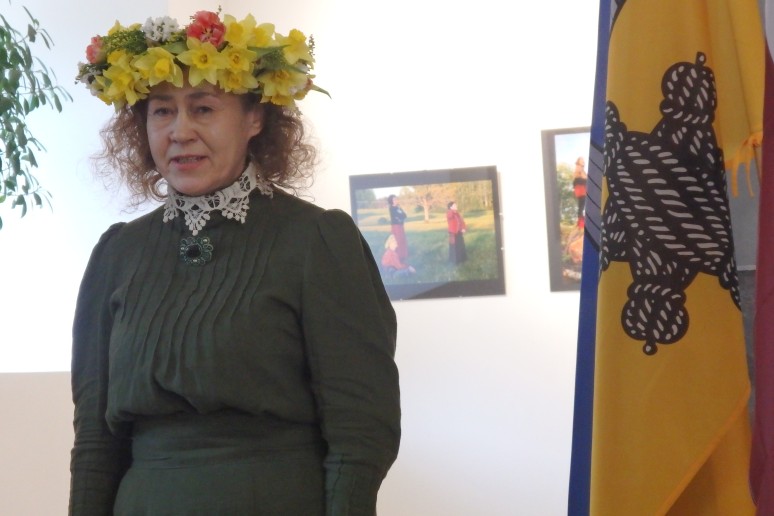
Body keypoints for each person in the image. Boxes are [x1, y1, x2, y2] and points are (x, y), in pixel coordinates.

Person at [70, 11, 400, 515]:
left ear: (255, 119)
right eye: (162, 111)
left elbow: (361, 434)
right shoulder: (117, 253)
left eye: (203, 108)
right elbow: (95, 443)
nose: (180, 131)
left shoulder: (316, 240)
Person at [387, 194, 409, 260]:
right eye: (394, 199)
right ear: (391, 201)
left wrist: (400, 216)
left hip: (401, 226)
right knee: (397, 241)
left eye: (396, 199)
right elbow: (396, 216)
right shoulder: (391, 208)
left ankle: (403, 255)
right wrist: (400, 216)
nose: (396, 200)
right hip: (395, 227)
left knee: (402, 240)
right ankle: (397, 256)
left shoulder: (398, 207)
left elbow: (404, 215)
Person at [572, 156, 588, 226]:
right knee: (582, 206)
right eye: (582, 160)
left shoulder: (580, 169)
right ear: (579, 161)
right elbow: (584, 177)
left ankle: (580, 222)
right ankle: (581, 223)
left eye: (583, 160)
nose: (583, 161)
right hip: (581, 189)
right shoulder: (579, 168)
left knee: (581, 206)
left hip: (581, 188)